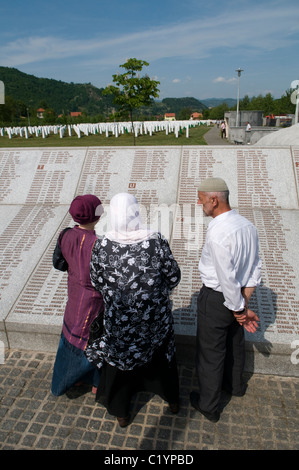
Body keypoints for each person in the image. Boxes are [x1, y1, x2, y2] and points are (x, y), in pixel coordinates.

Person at [85, 193, 181, 427]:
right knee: (161, 361)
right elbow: (173, 276)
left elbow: (96, 281)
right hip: (154, 322)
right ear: (136, 211)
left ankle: (122, 413)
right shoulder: (155, 241)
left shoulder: (103, 244)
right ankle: (173, 400)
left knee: (121, 368)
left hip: (120, 326)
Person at [190, 178, 262, 422]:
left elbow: (226, 277)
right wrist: (245, 301)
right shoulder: (247, 225)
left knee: (210, 353)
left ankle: (209, 406)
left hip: (218, 299)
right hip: (239, 295)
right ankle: (235, 387)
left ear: (214, 200)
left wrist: (238, 309)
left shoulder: (218, 233)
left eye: (201, 199)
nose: (199, 204)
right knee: (234, 342)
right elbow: (255, 266)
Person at [51, 194, 104, 397]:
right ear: (95, 217)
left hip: (74, 295)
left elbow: (59, 264)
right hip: (94, 302)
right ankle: (96, 383)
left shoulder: (65, 235)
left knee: (71, 335)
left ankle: (71, 378)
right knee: (95, 340)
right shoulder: (99, 244)